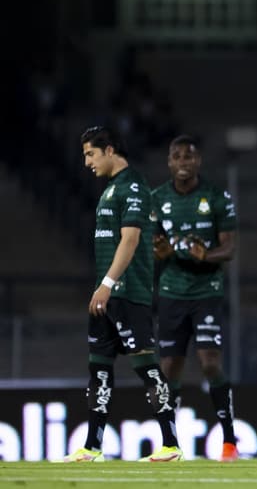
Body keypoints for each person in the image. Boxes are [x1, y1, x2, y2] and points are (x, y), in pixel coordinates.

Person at [64, 126, 183, 462]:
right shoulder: (112, 189)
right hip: (109, 293)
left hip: (126, 292)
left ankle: (171, 445)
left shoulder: (132, 186)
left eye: (91, 153)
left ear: (110, 150)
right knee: (98, 369)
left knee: (146, 366)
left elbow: (129, 240)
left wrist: (108, 283)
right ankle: (92, 447)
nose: (86, 161)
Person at [152, 135, 240, 462]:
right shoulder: (157, 199)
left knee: (209, 362)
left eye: (189, 157)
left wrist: (206, 256)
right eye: (177, 157)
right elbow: (153, 247)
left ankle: (229, 442)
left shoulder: (216, 197)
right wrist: (158, 252)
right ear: (170, 162)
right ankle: (169, 444)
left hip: (206, 292)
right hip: (172, 292)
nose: (184, 162)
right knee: (169, 369)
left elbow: (229, 248)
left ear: (198, 161)